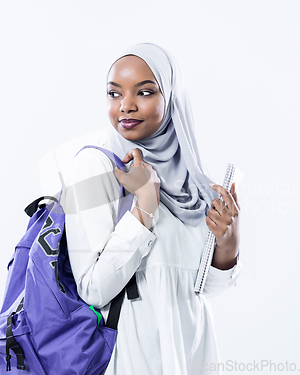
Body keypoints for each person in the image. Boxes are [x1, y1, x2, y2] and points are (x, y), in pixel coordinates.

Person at [60, 42, 243, 375]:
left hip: (191, 354)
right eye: (114, 94)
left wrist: (228, 243)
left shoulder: (195, 182)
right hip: (130, 356)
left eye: (144, 92)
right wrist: (144, 206)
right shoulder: (94, 166)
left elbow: (200, 290)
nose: (125, 106)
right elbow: (92, 289)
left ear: (171, 97)